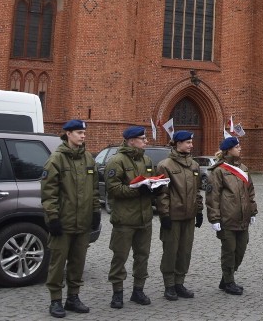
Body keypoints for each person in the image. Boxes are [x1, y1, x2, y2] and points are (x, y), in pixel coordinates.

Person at [41, 119, 99, 318]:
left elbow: (94, 190)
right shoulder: (56, 159)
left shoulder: (88, 159)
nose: (83, 136)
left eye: (84, 132)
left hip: (82, 222)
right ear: (67, 134)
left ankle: (73, 297)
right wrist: (53, 218)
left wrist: (96, 211)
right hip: (63, 222)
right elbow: (49, 193)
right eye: (79, 132)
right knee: (58, 263)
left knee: (77, 262)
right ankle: (55, 300)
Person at [106, 126, 157, 309]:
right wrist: (135, 190)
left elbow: (151, 181)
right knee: (120, 257)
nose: (146, 141)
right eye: (142, 138)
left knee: (142, 257)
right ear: (131, 140)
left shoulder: (147, 160)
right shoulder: (117, 161)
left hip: (145, 219)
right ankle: (117, 292)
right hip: (124, 219)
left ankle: (138, 290)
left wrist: (155, 187)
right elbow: (113, 189)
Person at [206, 135, 257, 296]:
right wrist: (214, 218)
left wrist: (253, 211)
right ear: (228, 150)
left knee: (240, 250)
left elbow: (250, 192)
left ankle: (226, 277)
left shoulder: (243, 168)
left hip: (243, 218)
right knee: (229, 251)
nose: (240, 148)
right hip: (226, 218)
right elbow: (212, 196)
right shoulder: (218, 171)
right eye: (237, 146)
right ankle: (229, 282)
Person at [155, 130, 203, 301]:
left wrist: (199, 210)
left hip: (189, 216)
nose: (191, 145)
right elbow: (162, 194)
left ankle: (179, 283)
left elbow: (197, 191)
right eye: (188, 142)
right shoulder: (165, 165)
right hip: (173, 216)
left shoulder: (194, 165)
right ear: (177, 144)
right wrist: (165, 215)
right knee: (171, 251)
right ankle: (169, 285)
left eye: (191, 142)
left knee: (184, 251)